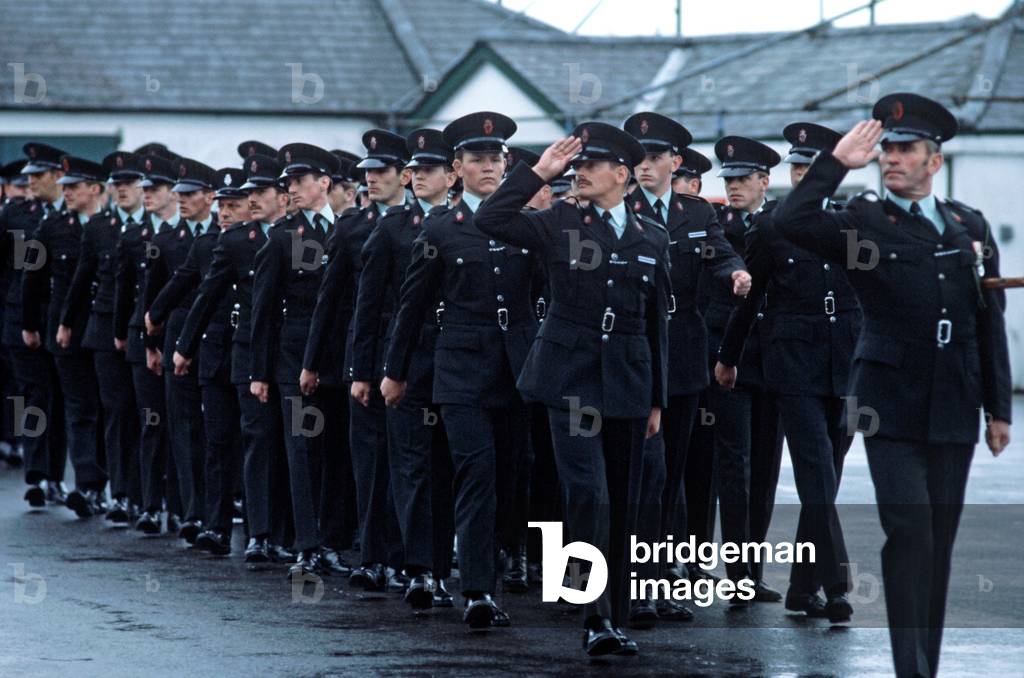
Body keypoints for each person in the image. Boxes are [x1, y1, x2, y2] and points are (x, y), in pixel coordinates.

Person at [771, 93, 1011, 678]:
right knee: (909, 534)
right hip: (888, 406)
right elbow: (791, 221)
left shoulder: (968, 227)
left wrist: (998, 410)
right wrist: (835, 164)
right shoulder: (865, 220)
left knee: (939, 544)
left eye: (906, 150)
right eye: (888, 149)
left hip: (953, 402)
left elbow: (989, 320)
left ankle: (924, 661)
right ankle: (912, 670)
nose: (892, 159)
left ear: (935, 160)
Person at [474, 125, 669, 657]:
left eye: (592, 165)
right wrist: (538, 172)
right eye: (577, 164)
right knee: (590, 496)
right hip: (570, 380)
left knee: (624, 503)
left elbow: (657, 326)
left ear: (622, 175)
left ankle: (617, 615)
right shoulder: (559, 220)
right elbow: (489, 218)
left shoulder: (651, 236)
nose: (579, 172)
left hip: (628, 382)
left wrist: (657, 399)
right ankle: (594, 615)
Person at [382, 112, 536, 629]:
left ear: (507, 164)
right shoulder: (440, 228)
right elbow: (412, 305)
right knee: (477, 474)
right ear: (457, 168)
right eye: (477, 159)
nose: (488, 167)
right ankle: (476, 590)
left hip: (516, 371)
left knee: (511, 476)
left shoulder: (524, 226)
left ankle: (491, 569)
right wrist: (394, 370)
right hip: (460, 371)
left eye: (496, 159)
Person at [715, 122, 858, 622]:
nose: (801, 174)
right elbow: (751, 300)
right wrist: (728, 358)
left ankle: (802, 586)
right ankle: (838, 584)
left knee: (829, 478)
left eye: (810, 167)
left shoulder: (851, 223)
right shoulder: (771, 225)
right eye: (797, 166)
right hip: (791, 364)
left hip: (845, 365)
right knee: (816, 472)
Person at [622, 112, 750, 629]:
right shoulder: (616, 210)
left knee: (672, 475)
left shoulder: (695, 213)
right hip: (633, 357)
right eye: (640, 157)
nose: (646, 165)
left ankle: (657, 581)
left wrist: (737, 273)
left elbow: (719, 256)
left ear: (675, 163)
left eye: (656, 157)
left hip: (682, 357)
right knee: (641, 472)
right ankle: (628, 580)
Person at [349, 127, 456, 609]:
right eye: (416, 171)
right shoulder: (391, 229)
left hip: (456, 363)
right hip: (406, 363)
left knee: (448, 468)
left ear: (451, 176)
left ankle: (442, 563)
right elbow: (367, 308)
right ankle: (419, 570)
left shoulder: (466, 223)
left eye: (431, 170)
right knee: (410, 467)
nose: (420, 178)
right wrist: (363, 372)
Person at [176, 153, 293, 564]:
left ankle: (279, 533)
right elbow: (206, 295)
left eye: (256, 194)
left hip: (286, 354)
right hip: (243, 354)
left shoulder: (295, 236)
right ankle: (236, 530)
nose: (249, 202)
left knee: (280, 444)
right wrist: (184, 346)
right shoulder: (234, 241)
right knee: (241, 440)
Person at [706, 135, 786, 602]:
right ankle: (737, 573)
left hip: (770, 358)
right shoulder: (719, 226)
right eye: (729, 179)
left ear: (763, 181)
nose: (734, 186)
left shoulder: (780, 225)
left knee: (766, 467)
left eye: (742, 179)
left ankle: (752, 570)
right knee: (733, 466)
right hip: (728, 358)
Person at [23, 155, 109, 517]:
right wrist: (29, 324)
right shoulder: (51, 226)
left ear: (94, 189)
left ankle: (107, 486)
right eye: (65, 187)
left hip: (104, 329)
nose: (67, 193)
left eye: (74, 187)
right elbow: (32, 276)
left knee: (107, 407)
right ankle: (87, 485)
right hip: (66, 331)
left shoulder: (110, 227)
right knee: (78, 407)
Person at [144, 157, 217, 544]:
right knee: (184, 427)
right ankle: (191, 510)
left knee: (217, 430)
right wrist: (151, 344)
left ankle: (217, 507)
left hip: (216, 338)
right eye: (180, 194)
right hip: (179, 339)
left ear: (210, 197)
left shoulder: (223, 234)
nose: (182, 200)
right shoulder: (167, 240)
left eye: (190, 194)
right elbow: (153, 302)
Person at [8, 143, 69, 506]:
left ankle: (56, 477)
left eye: (37, 176)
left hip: (58, 320)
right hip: (21, 320)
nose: (29, 182)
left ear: (57, 177)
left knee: (59, 398)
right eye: (27, 176)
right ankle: (36, 471)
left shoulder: (70, 216)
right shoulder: (16, 215)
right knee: (34, 398)